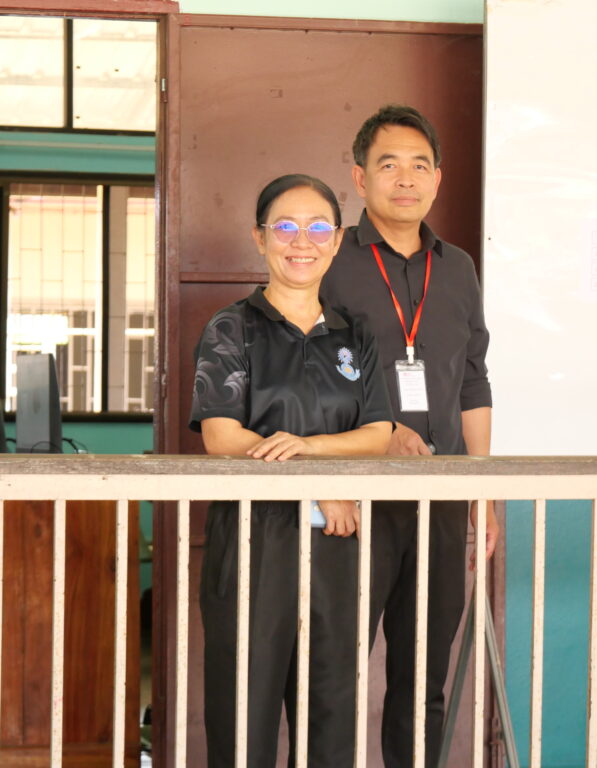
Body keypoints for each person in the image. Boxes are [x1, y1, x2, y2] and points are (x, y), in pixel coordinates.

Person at [189, 174, 394, 768]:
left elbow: (377, 435)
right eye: (284, 226)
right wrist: (320, 483)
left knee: (332, 720)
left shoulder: (355, 332)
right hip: (254, 543)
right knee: (244, 718)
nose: (301, 241)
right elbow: (223, 436)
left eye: (318, 227)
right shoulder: (232, 328)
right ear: (259, 238)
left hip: (339, 543)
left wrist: (310, 456)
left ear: (337, 241)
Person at [320, 104, 498, 768]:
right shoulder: (330, 258)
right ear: (359, 177)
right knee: (332, 674)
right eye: (388, 164)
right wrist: (380, 431)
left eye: (419, 166)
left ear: (437, 179)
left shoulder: (458, 269)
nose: (405, 179)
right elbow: (307, 375)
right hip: (353, 503)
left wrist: (483, 489)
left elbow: (472, 379)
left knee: (424, 681)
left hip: (439, 502)